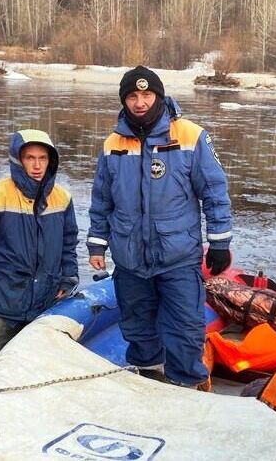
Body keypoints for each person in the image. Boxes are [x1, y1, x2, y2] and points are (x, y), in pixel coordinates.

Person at [87, 66, 234, 388]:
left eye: (147, 95)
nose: (140, 102)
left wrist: (220, 241)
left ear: (159, 96)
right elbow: (101, 199)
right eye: (133, 96)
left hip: (177, 256)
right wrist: (97, 244)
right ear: (124, 100)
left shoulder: (190, 136)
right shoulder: (113, 144)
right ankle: (149, 378)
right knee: (137, 326)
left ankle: (187, 386)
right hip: (129, 258)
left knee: (184, 326)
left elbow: (214, 191)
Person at [0, 129, 78, 396]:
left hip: (43, 303)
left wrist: (69, 278)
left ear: (51, 161)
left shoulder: (62, 198)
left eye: (42, 158)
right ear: (17, 160)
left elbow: (69, 244)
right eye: (30, 158)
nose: (36, 165)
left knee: (35, 373)